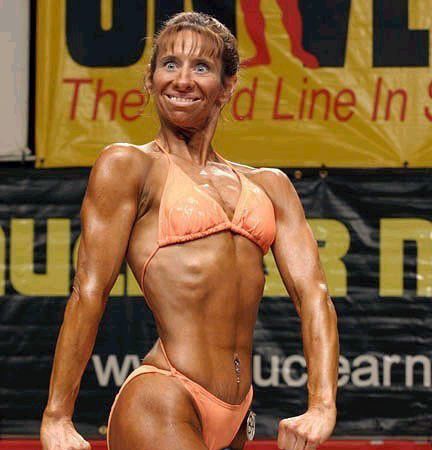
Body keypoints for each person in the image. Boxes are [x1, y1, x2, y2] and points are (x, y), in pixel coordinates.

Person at [40, 12, 338, 450]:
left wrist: (322, 405)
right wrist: (57, 417)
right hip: (163, 397)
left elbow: (314, 294)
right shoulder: (130, 167)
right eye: (169, 64)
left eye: (201, 67)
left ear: (227, 85)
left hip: (237, 415)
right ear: (151, 79)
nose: (182, 80)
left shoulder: (269, 185)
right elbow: (89, 290)